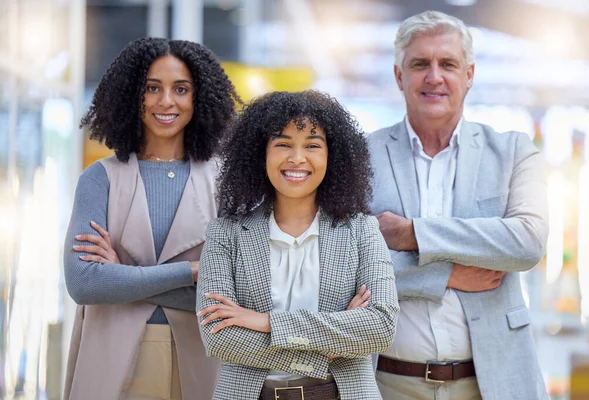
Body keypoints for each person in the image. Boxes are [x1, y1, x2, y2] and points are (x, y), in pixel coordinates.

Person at [368, 10, 549, 400]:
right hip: (384, 386)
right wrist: (446, 275)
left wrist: (410, 233)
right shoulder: (360, 157)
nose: (434, 76)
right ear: (400, 76)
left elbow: (527, 242)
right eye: (420, 64)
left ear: (468, 75)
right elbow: (344, 266)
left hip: (492, 385)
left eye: (447, 64)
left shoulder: (514, 152)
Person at [63, 37, 239, 400]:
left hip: (200, 355)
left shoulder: (224, 181)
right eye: (152, 88)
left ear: (199, 97)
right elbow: (84, 285)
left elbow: (235, 297)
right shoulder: (99, 178)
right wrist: (191, 271)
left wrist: (124, 279)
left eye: (181, 89)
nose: (166, 101)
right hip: (110, 355)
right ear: (131, 95)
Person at [196, 90, 399, 400]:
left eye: (312, 145)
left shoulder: (362, 231)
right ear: (260, 153)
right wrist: (332, 344)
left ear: (333, 155)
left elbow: (381, 327)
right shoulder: (225, 235)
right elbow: (219, 338)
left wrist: (266, 322)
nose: (297, 158)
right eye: (283, 144)